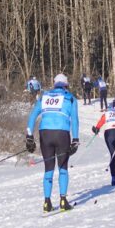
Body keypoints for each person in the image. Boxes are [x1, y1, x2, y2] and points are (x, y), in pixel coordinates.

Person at [26, 73, 80, 212]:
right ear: (66, 85)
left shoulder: (44, 96)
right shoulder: (70, 98)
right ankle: (63, 201)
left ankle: (47, 203)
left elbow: (32, 116)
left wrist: (29, 136)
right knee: (63, 168)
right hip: (62, 134)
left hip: (45, 133)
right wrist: (75, 139)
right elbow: (74, 120)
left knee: (48, 168)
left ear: (55, 84)